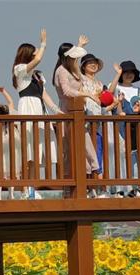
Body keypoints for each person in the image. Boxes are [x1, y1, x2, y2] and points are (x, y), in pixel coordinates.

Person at [12, 29, 61, 199]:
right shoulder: (20, 70)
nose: (36, 57)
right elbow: (39, 58)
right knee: (27, 151)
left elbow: (45, 95)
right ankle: (24, 188)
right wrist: (43, 43)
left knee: (36, 152)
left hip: (39, 109)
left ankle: (31, 188)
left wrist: (57, 111)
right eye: (32, 55)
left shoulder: (38, 76)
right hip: (27, 108)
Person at [53, 45, 100, 194]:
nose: (76, 59)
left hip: (79, 112)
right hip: (67, 112)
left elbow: (80, 85)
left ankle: (90, 183)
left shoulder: (73, 70)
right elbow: (66, 91)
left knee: (86, 147)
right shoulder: (61, 71)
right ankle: (72, 188)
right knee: (70, 149)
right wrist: (86, 95)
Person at [109, 61, 140, 198]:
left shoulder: (139, 90)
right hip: (120, 126)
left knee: (139, 157)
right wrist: (118, 74)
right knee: (121, 156)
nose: (129, 75)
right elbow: (109, 92)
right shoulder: (115, 87)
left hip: (136, 126)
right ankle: (120, 188)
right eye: (126, 72)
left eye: (131, 73)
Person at [80, 53, 111, 198]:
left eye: (95, 63)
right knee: (86, 155)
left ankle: (98, 187)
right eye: (89, 63)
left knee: (97, 153)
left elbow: (107, 99)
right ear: (83, 66)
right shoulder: (80, 80)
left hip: (98, 121)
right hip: (85, 120)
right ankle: (88, 187)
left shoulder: (99, 84)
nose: (93, 65)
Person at [0, 86, 22, 200]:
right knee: (13, 169)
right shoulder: (10, 114)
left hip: (2, 144)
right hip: (13, 142)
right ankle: (11, 194)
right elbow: (10, 101)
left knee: (0, 171)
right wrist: (3, 91)